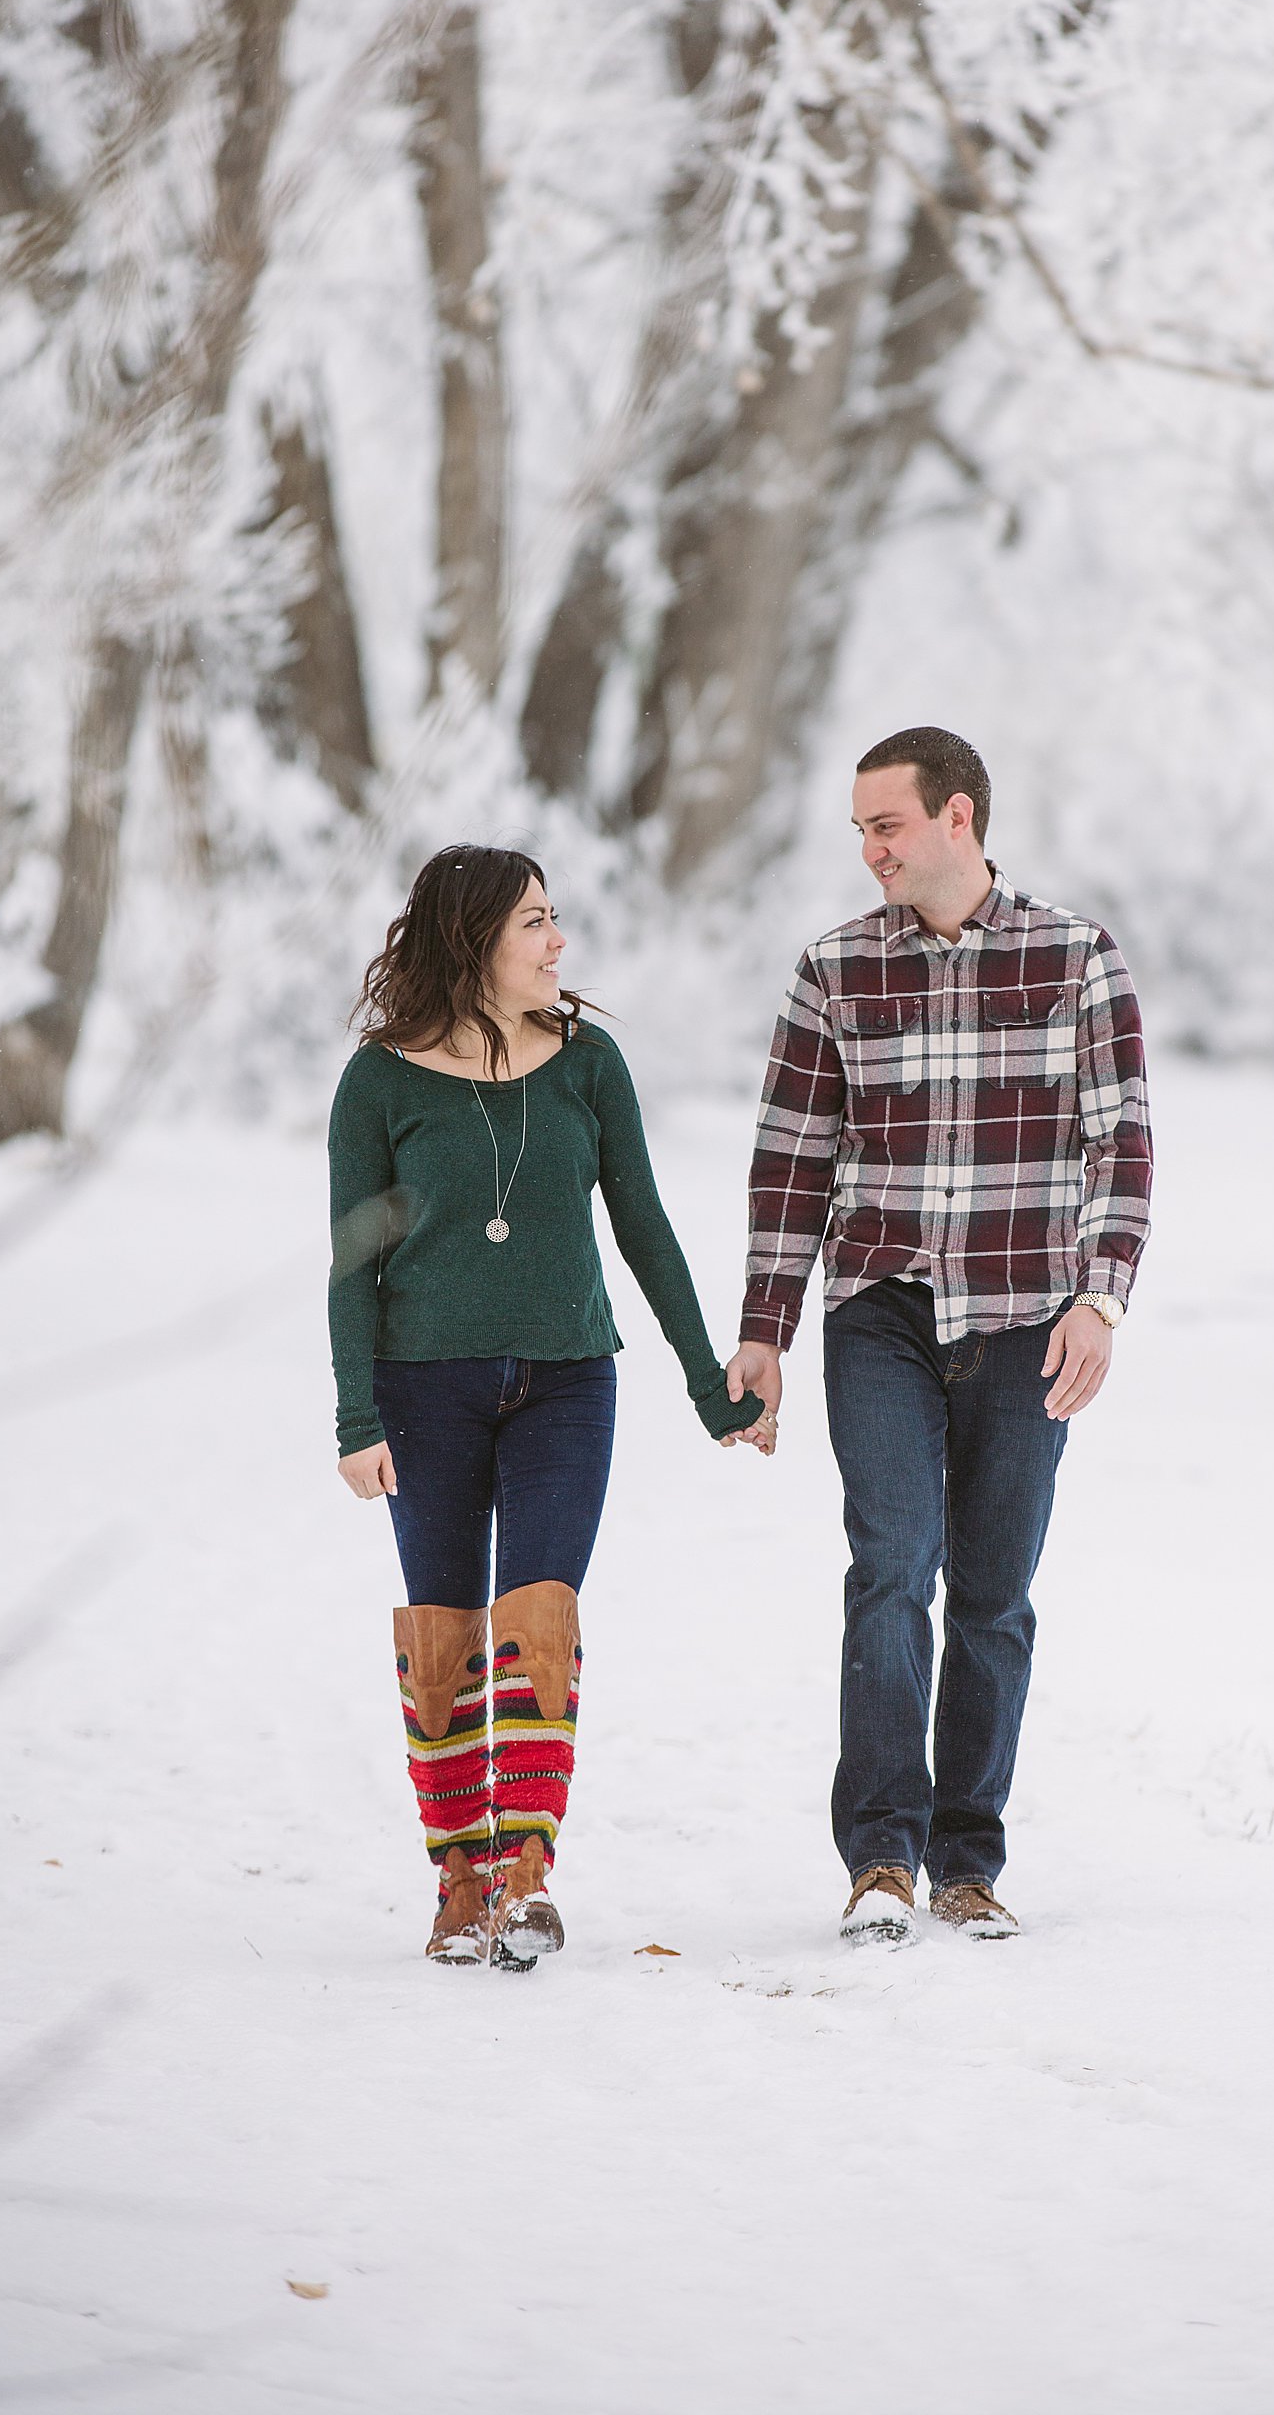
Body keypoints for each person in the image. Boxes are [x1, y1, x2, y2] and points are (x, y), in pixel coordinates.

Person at [724, 728, 1152, 1942]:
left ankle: (969, 1859)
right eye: (859, 829)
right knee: (890, 1564)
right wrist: (764, 1330)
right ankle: (880, 1861)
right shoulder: (835, 971)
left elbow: (1119, 1140)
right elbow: (790, 1162)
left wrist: (1101, 1297)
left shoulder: (1075, 958)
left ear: (955, 817)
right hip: (882, 1313)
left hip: (1026, 1319)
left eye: (885, 826)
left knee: (995, 1594)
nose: (868, 851)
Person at [330, 844, 772, 1970]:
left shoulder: (588, 1066)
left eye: (553, 917)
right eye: (534, 921)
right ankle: (456, 1883)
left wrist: (704, 1385)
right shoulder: (379, 1081)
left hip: (568, 1382)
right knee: (443, 1633)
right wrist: (354, 1420)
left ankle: (523, 1874)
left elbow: (645, 1230)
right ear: (472, 937)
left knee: (539, 1620)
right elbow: (351, 1266)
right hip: (420, 1391)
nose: (556, 941)